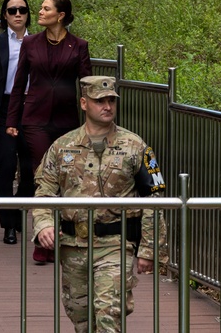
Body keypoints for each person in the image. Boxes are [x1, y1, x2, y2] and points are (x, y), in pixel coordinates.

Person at [34, 76, 167, 333]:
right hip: (73, 247)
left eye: (111, 101)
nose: (107, 106)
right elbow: (45, 192)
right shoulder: (62, 147)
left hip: (116, 245)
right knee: (82, 321)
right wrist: (43, 224)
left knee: (108, 315)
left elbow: (154, 199)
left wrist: (149, 249)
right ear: (84, 103)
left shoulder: (134, 146)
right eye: (99, 101)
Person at [6, 0, 92, 263]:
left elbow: (87, 84)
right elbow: (19, 84)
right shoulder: (30, 43)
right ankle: (43, 240)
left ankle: (64, 236)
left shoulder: (78, 45)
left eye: (45, 9)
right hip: (36, 119)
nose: (39, 12)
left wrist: (92, 119)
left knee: (67, 178)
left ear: (61, 15)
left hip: (67, 121)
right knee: (43, 175)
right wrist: (12, 120)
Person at [0, 0, 35, 245]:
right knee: (4, 167)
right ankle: (9, 225)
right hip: (3, 107)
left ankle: (18, 211)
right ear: (4, 15)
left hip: (32, 109)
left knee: (31, 169)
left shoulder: (39, 42)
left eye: (22, 10)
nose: (17, 14)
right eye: (12, 10)